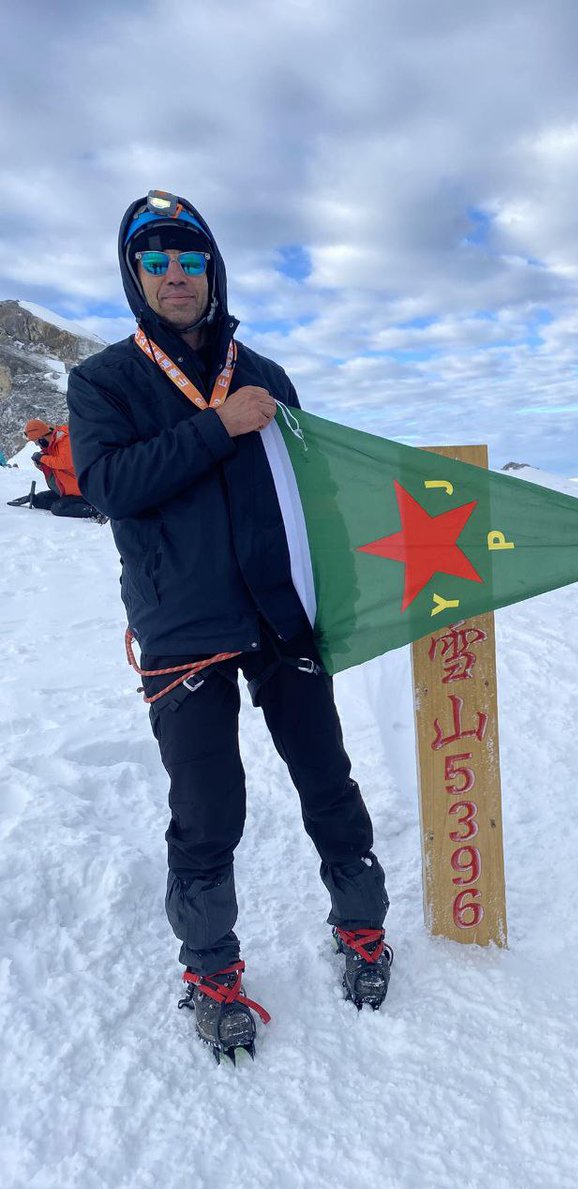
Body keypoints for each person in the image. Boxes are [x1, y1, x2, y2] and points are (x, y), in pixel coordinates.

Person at [67, 190, 391, 1063]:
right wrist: (217, 426)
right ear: (135, 276)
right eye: (158, 263)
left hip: (282, 621)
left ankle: (361, 928)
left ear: (214, 269)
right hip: (184, 632)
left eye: (192, 260)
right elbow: (109, 489)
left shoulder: (266, 373)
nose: (178, 277)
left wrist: (341, 598)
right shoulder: (104, 381)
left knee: (329, 781)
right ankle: (211, 971)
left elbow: (312, 499)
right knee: (208, 813)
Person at [6, 420, 104, 519]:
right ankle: (35, 499)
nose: (37, 445)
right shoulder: (51, 445)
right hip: (70, 491)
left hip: (87, 491)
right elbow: (58, 469)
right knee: (40, 499)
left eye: (36, 441)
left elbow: (65, 462)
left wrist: (42, 458)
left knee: (59, 508)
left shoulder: (65, 440)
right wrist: (41, 465)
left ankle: (97, 511)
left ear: (42, 438)